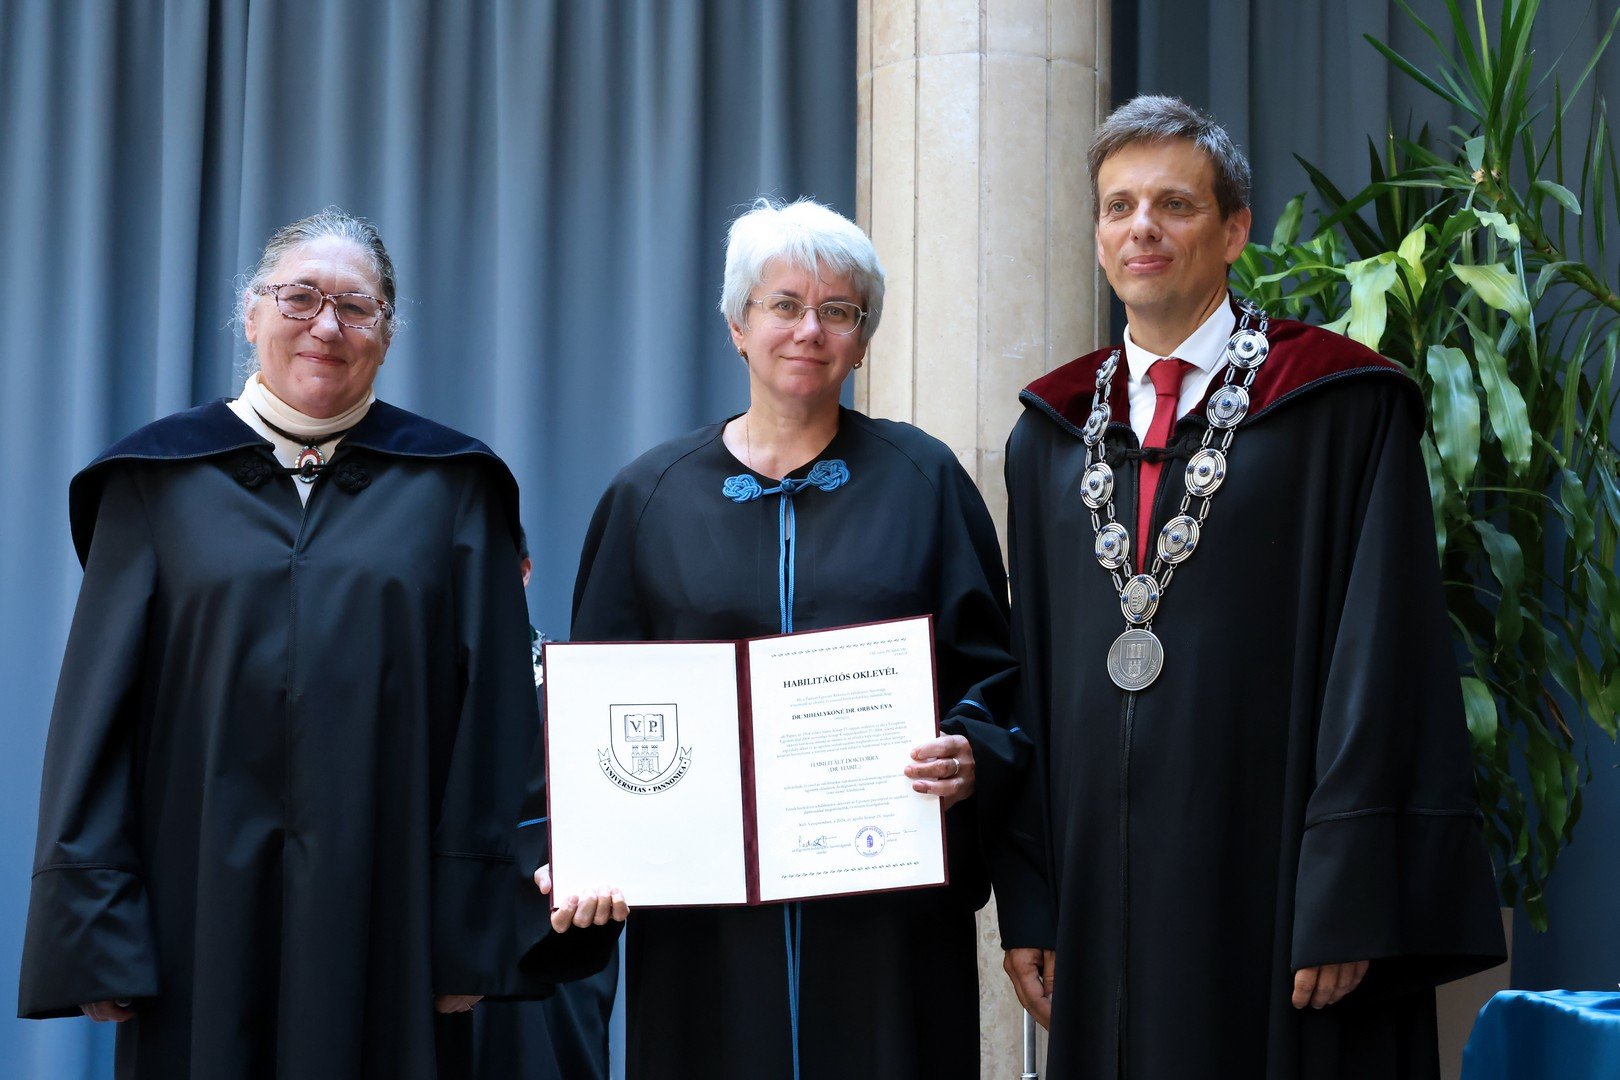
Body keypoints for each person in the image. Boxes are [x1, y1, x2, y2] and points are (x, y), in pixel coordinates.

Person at [995, 96, 1506, 1079]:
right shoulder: (1048, 437)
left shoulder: (1339, 408)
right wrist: (1032, 898)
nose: (1142, 228)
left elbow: (1386, 656)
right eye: (1118, 207)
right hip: (1102, 897)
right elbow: (1028, 680)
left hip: (1276, 891)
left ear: (1234, 231)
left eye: (1175, 205)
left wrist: (1352, 890)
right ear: (1098, 237)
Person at [19, 209, 558, 1079]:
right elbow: (95, 719)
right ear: (251, 314)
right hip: (195, 910)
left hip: (389, 921)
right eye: (299, 297)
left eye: (356, 306)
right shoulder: (153, 486)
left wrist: (470, 932)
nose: (326, 326)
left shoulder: (456, 491)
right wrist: (96, 930)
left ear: (387, 332)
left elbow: (493, 729)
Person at [522, 197, 1023, 1080]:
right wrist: (589, 844)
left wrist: (970, 752)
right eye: (784, 305)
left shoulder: (924, 480)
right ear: (737, 327)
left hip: (883, 908)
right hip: (707, 919)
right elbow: (597, 707)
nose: (809, 330)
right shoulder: (649, 497)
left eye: (839, 310)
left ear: (863, 341)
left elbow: (997, 676)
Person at [472, 528, 618, 1080]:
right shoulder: (421, 683)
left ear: (525, 571)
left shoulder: (576, 680)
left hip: (559, 925)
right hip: (457, 930)